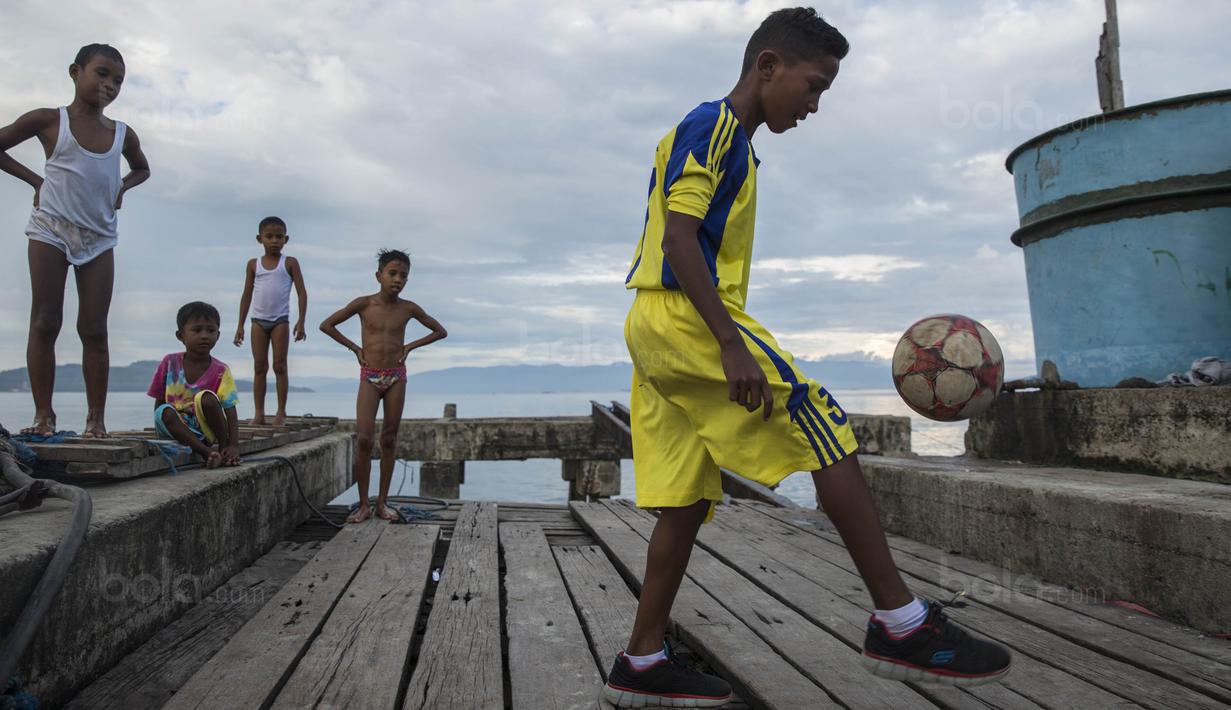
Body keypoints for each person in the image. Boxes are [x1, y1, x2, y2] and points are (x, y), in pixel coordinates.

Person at [607, 8, 1011, 707]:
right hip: (685, 317)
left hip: (652, 326)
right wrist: (730, 344)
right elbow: (678, 239)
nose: (815, 105)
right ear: (768, 66)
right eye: (814, 85)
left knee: (684, 498)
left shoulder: (723, 138)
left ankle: (640, 660)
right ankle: (901, 623)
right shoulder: (714, 127)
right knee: (823, 420)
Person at [0, 43, 150, 438]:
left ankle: (96, 420)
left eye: (118, 80)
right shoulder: (50, 120)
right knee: (46, 319)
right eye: (101, 73)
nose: (110, 85)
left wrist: (122, 186)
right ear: (75, 72)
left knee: (94, 329)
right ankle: (44, 416)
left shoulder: (122, 134)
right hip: (50, 229)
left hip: (98, 237)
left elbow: (142, 169)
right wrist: (36, 180)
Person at [319, 249, 447, 523]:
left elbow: (440, 331)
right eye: (392, 273)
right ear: (379, 276)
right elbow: (327, 325)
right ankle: (364, 505)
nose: (398, 279)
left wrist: (410, 346)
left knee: (389, 439)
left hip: (396, 376)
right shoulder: (364, 304)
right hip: (370, 376)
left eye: (404, 275)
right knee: (364, 439)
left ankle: (382, 503)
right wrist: (355, 348)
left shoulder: (408, 308)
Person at [233, 216, 308, 426]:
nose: (274, 240)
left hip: (280, 321)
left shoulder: (290, 263)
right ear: (260, 239)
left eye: (279, 236)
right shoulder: (253, 265)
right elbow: (246, 294)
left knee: (280, 366)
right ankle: (259, 413)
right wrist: (240, 325)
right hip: (258, 322)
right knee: (259, 367)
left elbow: (302, 292)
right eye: (269, 236)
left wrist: (301, 321)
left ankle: (281, 412)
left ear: (286, 239)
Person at [148, 302, 241, 469]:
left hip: (205, 431)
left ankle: (223, 449)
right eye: (197, 330)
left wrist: (233, 444)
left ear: (218, 335)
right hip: (176, 429)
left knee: (207, 398)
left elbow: (230, 409)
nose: (204, 336)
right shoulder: (169, 363)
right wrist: (160, 428)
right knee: (164, 411)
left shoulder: (221, 370)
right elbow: (159, 401)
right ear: (180, 335)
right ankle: (207, 453)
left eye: (210, 330)